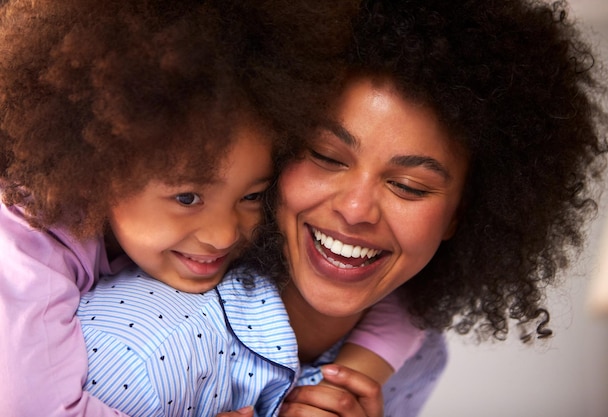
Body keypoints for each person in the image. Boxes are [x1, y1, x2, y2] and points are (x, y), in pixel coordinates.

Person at [0, 1, 423, 416]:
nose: (224, 234)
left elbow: (403, 303)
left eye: (252, 196)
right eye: (187, 198)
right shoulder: (24, 241)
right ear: (103, 167)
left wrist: (345, 380)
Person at [246, 0, 608, 415]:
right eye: (327, 157)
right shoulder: (176, 310)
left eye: (408, 186)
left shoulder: (418, 361)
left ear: (461, 214)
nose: (355, 209)